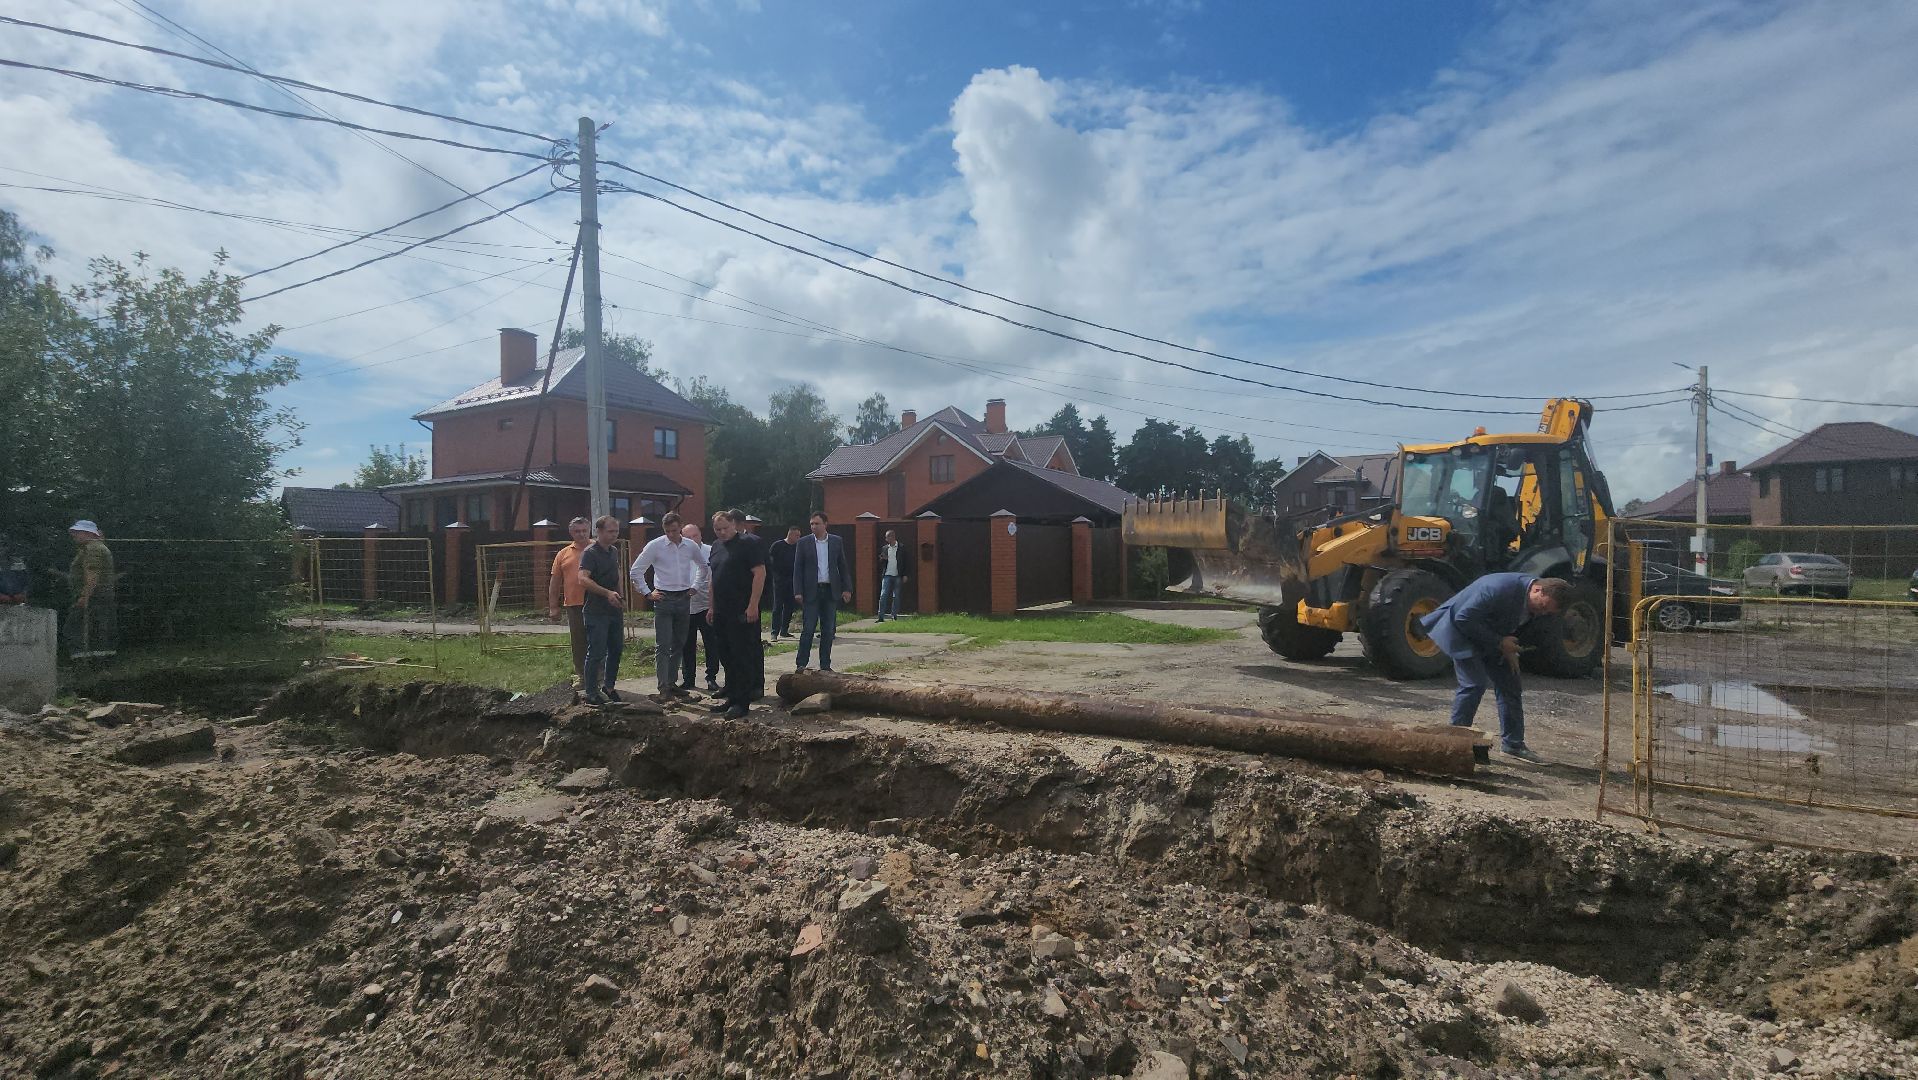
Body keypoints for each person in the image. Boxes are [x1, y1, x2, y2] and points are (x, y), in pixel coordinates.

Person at [1418, 573, 1573, 763]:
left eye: (1547, 612)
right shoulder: (1498, 588)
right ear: (1537, 590)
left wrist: (1510, 649)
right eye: (1542, 607)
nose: (1541, 613)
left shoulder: (1537, 601)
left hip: (1492, 635)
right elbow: (1463, 618)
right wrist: (1500, 643)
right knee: (1474, 685)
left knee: (1511, 684)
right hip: (1461, 632)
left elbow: (1519, 625)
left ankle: (1513, 745)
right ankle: (1454, 743)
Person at [628, 511, 708, 704]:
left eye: (674, 530)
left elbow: (703, 566)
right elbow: (636, 571)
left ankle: (672, 683)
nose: (671, 534)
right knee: (663, 644)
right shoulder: (655, 546)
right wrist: (648, 593)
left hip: (683, 598)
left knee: (679, 642)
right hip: (663, 598)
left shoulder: (690, 546)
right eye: (667, 531)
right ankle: (663, 686)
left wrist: (695, 586)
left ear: (680, 527)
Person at [706, 509, 767, 719]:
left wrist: (753, 605)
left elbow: (760, 573)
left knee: (742, 656)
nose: (722, 532)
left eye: (725, 528)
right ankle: (731, 697)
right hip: (721, 610)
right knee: (726, 655)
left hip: (741, 610)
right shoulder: (715, 546)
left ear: (734, 524)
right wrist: (711, 606)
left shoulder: (748, 544)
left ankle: (742, 702)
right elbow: (713, 578)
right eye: (717, 529)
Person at [573, 515, 629, 706]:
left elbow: (616, 574)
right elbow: (582, 579)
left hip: (614, 610)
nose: (614, 535)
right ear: (599, 531)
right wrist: (607, 593)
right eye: (610, 531)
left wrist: (620, 596)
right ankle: (591, 692)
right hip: (596, 611)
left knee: (616, 649)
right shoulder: (590, 553)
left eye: (616, 531)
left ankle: (609, 686)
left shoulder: (613, 551)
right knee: (596, 652)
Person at [792, 511, 851, 672]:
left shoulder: (836, 541)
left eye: (817, 523)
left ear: (825, 524)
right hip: (811, 591)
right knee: (808, 629)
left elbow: (842, 566)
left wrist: (847, 589)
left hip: (830, 590)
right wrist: (798, 591)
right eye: (811, 524)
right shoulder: (804, 543)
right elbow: (797, 569)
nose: (813, 526)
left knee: (828, 630)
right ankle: (801, 664)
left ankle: (825, 665)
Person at [546, 516, 592, 685]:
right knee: (578, 642)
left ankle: (600, 676)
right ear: (571, 532)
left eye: (584, 531)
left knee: (599, 639)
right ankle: (582, 675)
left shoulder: (599, 549)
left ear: (589, 530)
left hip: (598, 603)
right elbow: (555, 581)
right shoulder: (563, 554)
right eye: (577, 531)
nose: (581, 534)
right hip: (574, 604)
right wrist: (553, 607)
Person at [65, 520, 117, 660]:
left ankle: (82, 662)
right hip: (100, 596)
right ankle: (102, 662)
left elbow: (92, 574)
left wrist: (84, 596)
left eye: (77, 532)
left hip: (94, 596)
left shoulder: (93, 548)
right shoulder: (97, 547)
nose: (74, 535)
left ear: (88, 533)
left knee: (75, 628)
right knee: (99, 629)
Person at [679, 522, 721, 694]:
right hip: (685, 606)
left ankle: (711, 678)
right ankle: (688, 679)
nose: (691, 540)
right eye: (687, 537)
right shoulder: (679, 553)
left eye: (694, 536)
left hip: (706, 605)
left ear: (700, 535)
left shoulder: (711, 551)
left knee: (711, 643)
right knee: (686, 645)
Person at [766, 525, 802, 640]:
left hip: (792, 581)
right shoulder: (777, 545)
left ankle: (784, 630)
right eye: (797, 535)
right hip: (779, 581)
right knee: (778, 606)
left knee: (789, 606)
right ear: (790, 534)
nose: (798, 538)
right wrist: (775, 575)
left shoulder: (798, 547)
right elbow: (769, 561)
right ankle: (774, 632)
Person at [876, 529, 906, 622]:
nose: (886, 539)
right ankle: (881, 617)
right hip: (887, 575)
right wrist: (882, 559)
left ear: (892, 537)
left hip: (897, 575)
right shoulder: (885, 548)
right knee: (883, 595)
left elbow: (906, 562)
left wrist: (905, 575)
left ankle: (894, 615)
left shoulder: (901, 547)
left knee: (896, 596)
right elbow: (882, 562)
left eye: (887, 537)